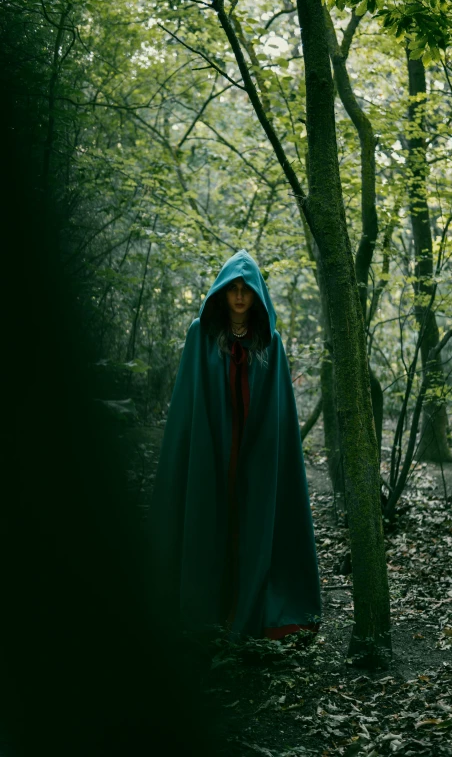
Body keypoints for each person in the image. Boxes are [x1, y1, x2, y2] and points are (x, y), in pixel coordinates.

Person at [148, 249, 321, 639]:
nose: (240, 297)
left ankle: (247, 609)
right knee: (208, 519)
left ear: (257, 295)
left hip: (254, 450)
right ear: (223, 294)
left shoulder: (270, 342)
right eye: (233, 289)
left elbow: (278, 409)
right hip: (211, 448)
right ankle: (207, 608)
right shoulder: (201, 334)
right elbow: (190, 401)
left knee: (252, 522)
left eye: (246, 289)